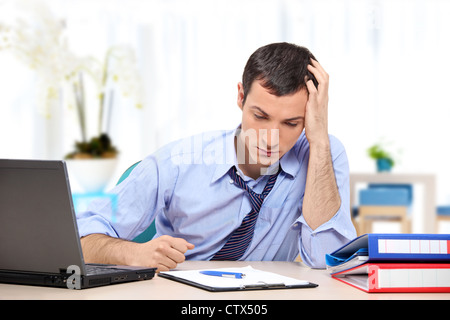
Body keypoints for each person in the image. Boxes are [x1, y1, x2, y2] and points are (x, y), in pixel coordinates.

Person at [77, 42, 356, 271]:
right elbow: (79, 237)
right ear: (240, 97)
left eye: (291, 123)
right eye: (260, 116)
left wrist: (319, 141)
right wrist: (132, 253)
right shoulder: (177, 163)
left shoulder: (320, 154)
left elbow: (327, 259)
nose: (270, 137)